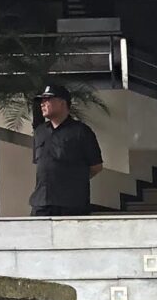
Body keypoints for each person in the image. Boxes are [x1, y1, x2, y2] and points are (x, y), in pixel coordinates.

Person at [27, 79, 102, 216]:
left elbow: (96, 166)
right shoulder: (40, 132)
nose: (42, 104)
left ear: (62, 103)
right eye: (42, 100)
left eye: (47, 99)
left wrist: (74, 181)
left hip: (71, 204)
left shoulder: (81, 132)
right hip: (42, 203)